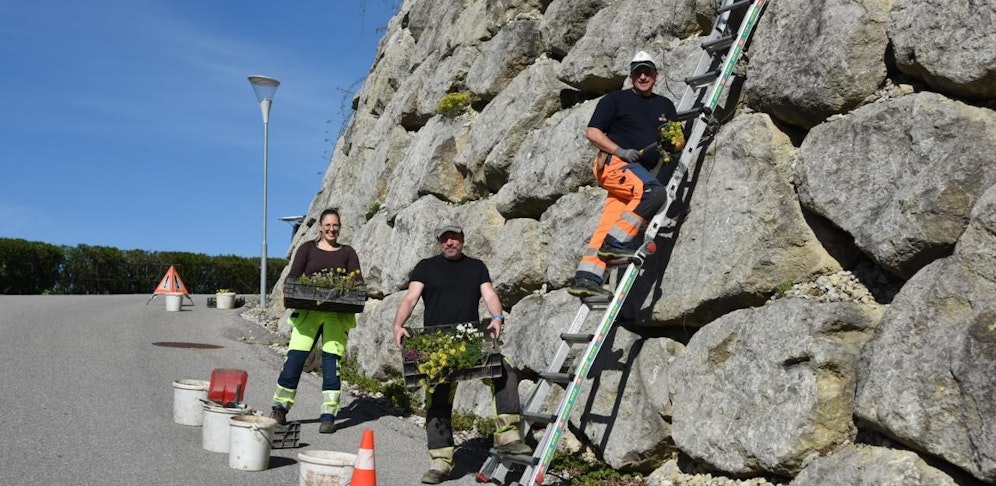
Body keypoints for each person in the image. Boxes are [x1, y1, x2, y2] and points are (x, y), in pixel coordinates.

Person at [392, 220, 531, 485]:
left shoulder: (476, 267)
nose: (449, 242)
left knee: (504, 370)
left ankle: (508, 436)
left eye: (454, 237)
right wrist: (398, 324)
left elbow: (489, 294)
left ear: (462, 239)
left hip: (471, 337)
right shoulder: (426, 266)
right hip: (435, 342)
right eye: (444, 238)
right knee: (437, 398)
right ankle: (440, 462)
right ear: (439, 242)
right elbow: (410, 298)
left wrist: (497, 316)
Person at [567, 50, 678, 298]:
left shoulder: (665, 106)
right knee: (654, 191)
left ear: (655, 75)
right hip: (616, 164)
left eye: (647, 71)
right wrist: (620, 150)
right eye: (638, 72)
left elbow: (677, 138)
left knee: (611, 222)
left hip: (635, 174)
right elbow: (593, 132)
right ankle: (615, 245)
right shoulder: (615, 100)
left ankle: (587, 277)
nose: (642, 76)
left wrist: (673, 143)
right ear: (630, 76)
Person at [269, 208, 363, 434]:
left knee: (332, 364)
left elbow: (357, 281)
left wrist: (359, 290)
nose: (332, 229)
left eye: (335, 226)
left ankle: (328, 415)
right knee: (294, 361)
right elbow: (293, 276)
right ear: (320, 227)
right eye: (327, 225)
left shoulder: (348, 252)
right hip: (308, 313)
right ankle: (280, 408)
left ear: (339, 228)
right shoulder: (307, 249)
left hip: (336, 316)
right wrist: (289, 287)